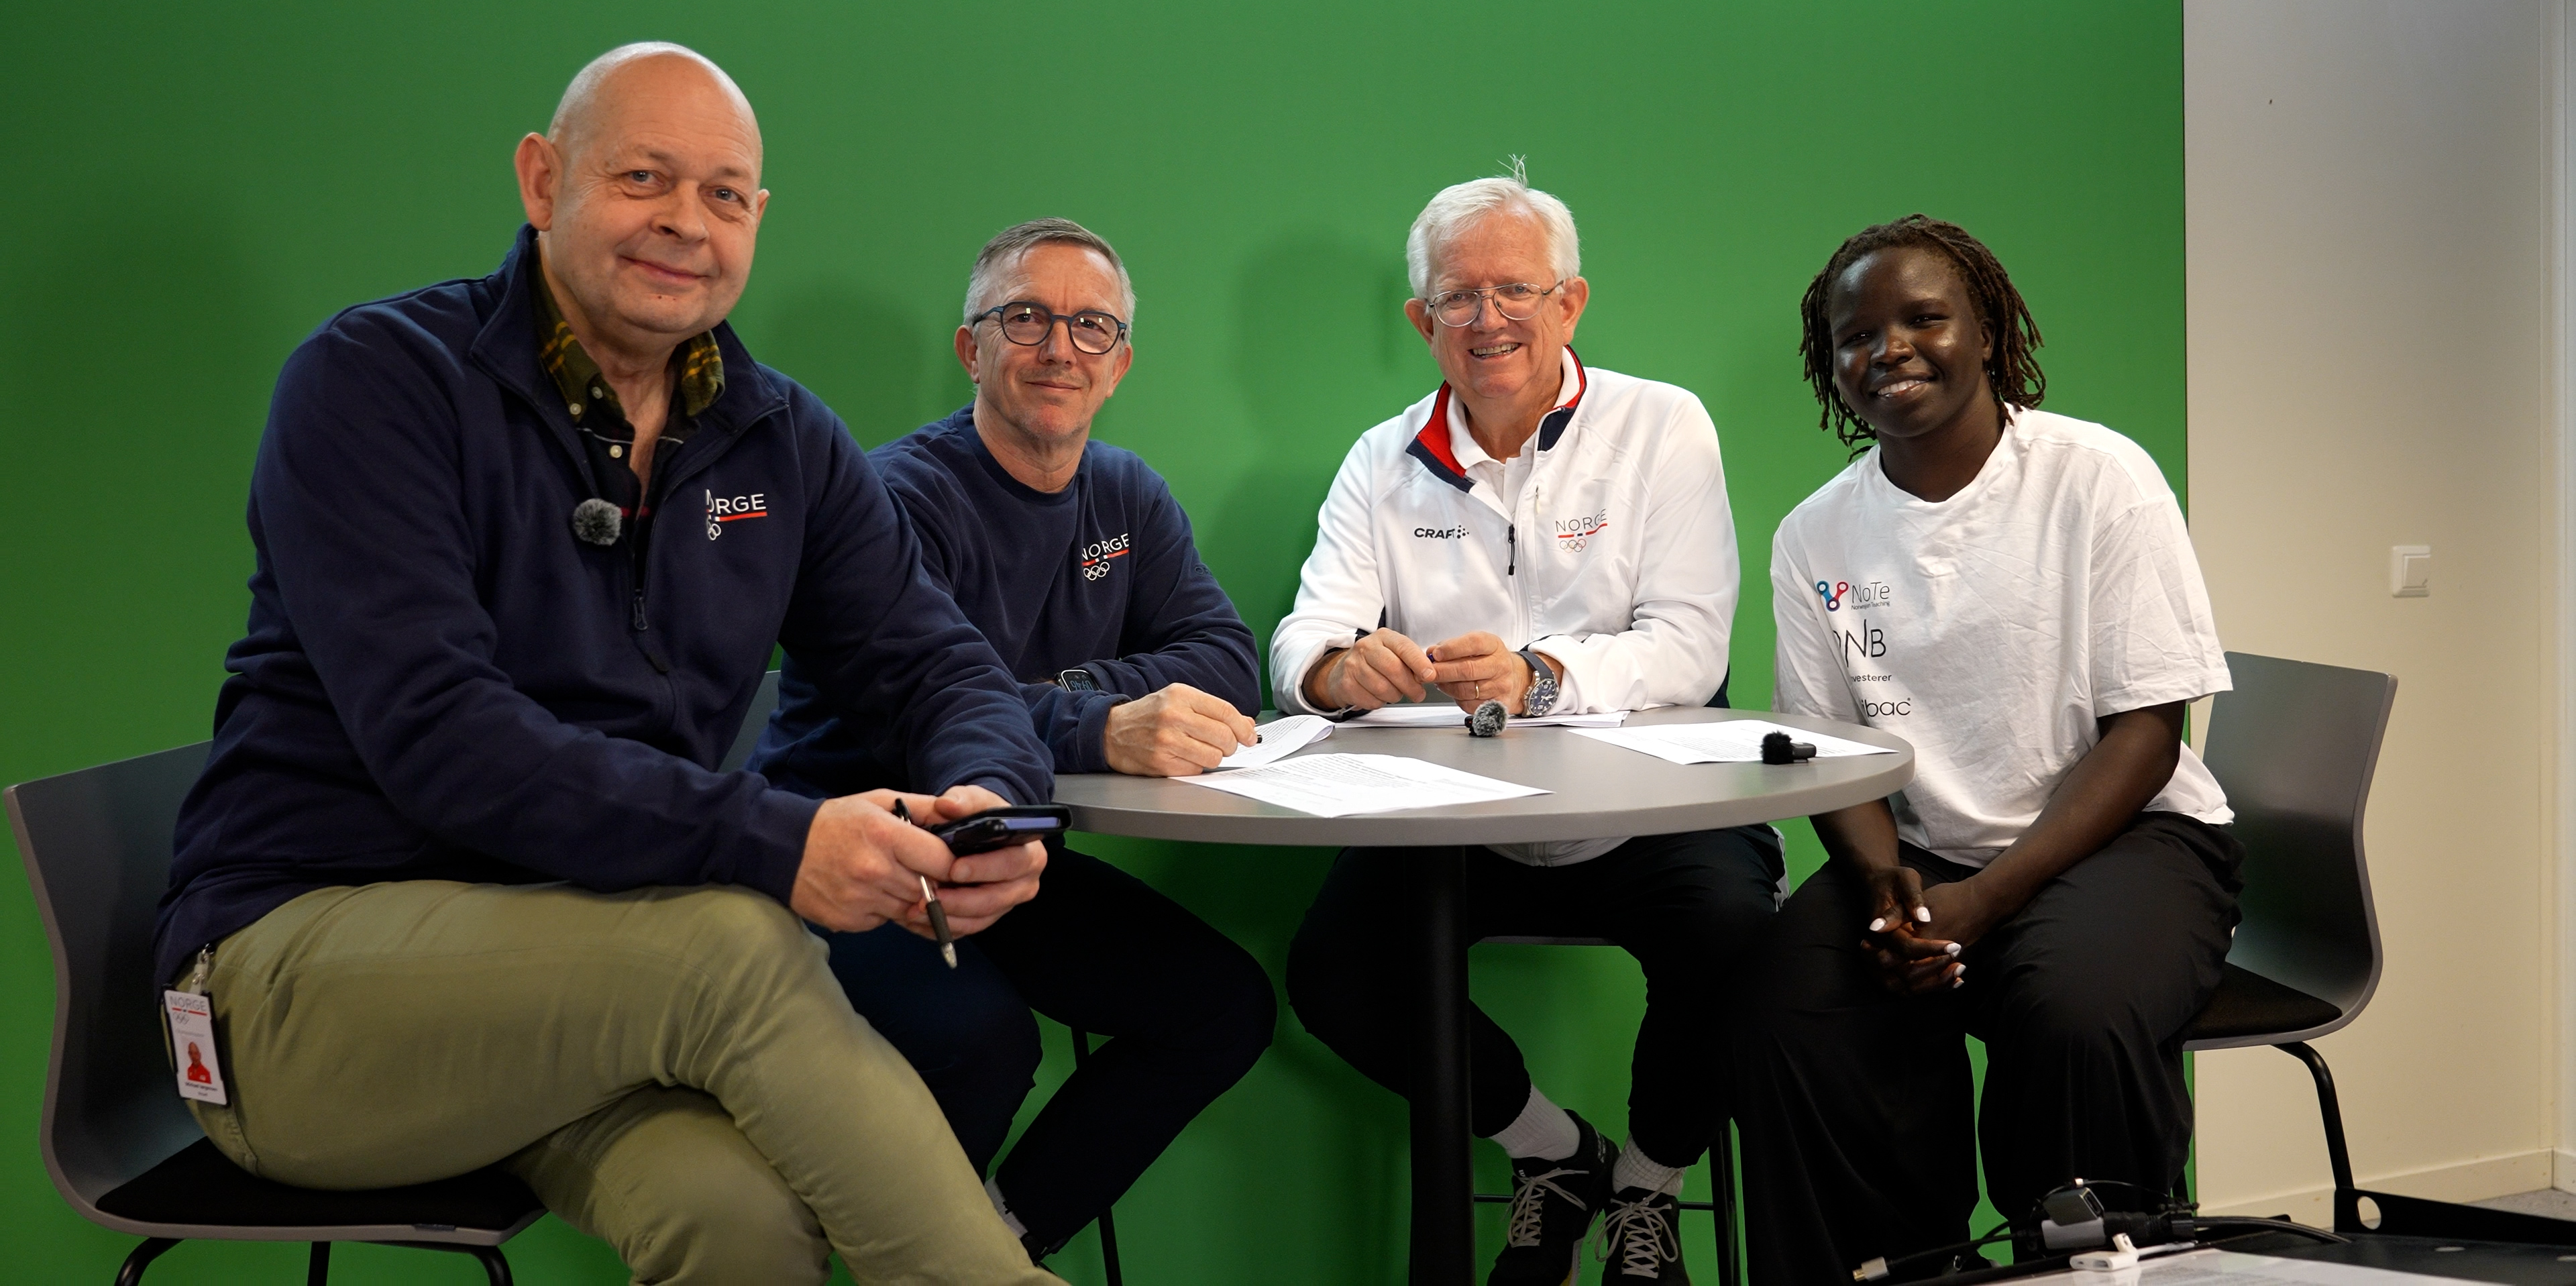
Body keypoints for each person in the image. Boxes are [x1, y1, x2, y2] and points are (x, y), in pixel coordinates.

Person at [154, 42, 1065, 1286]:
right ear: (543, 181)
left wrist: (992, 802)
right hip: (286, 991)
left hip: (576, 979)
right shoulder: (376, 384)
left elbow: (934, 663)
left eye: (726, 194)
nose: (686, 223)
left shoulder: (780, 438)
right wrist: (779, 844)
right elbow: (443, 739)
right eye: (644, 177)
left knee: (741, 1216)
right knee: (736, 942)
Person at [1273, 168, 1776, 1285]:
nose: (1488, 318)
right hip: (1460, 820)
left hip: (1652, 809)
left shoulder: (1664, 425)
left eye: (1516, 291)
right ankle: (1553, 1152)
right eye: (1458, 297)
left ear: (1572, 303)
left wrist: (1540, 673)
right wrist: (1337, 669)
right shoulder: (1380, 457)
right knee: (1334, 973)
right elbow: (1298, 640)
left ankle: (1650, 1180)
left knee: (1742, 938)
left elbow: (1691, 649)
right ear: (1422, 321)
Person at [751, 217, 1277, 1263]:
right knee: (983, 1040)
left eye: (1092, 327)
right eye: (1026, 318)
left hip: (1010, 858)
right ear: (972, 348)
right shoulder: (894, 500)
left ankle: (991, 1246)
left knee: (1223, 1008)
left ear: (1120, 364)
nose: (1059, 349)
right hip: (865, 853)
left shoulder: (1124, 493)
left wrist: (1068, 695)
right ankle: (895, 1260)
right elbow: (914, 711)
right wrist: (1097, 724)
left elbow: (1223, 655)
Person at [1737, 215, 2243, 1283]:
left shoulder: (2098, 479)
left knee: (2071, 1013)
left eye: (1925, 319)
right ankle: (1903, 1265)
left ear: (1990, 335)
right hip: (1917, 855)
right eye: (1855, 335)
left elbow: (2149, 734)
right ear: (1829, 364)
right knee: (1789, 1006)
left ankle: (2079, 1268)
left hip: (2124, 842)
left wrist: (1986, 899)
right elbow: (1834, 754)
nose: (1889, 350)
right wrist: (1889, 896)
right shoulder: (1815, 534)